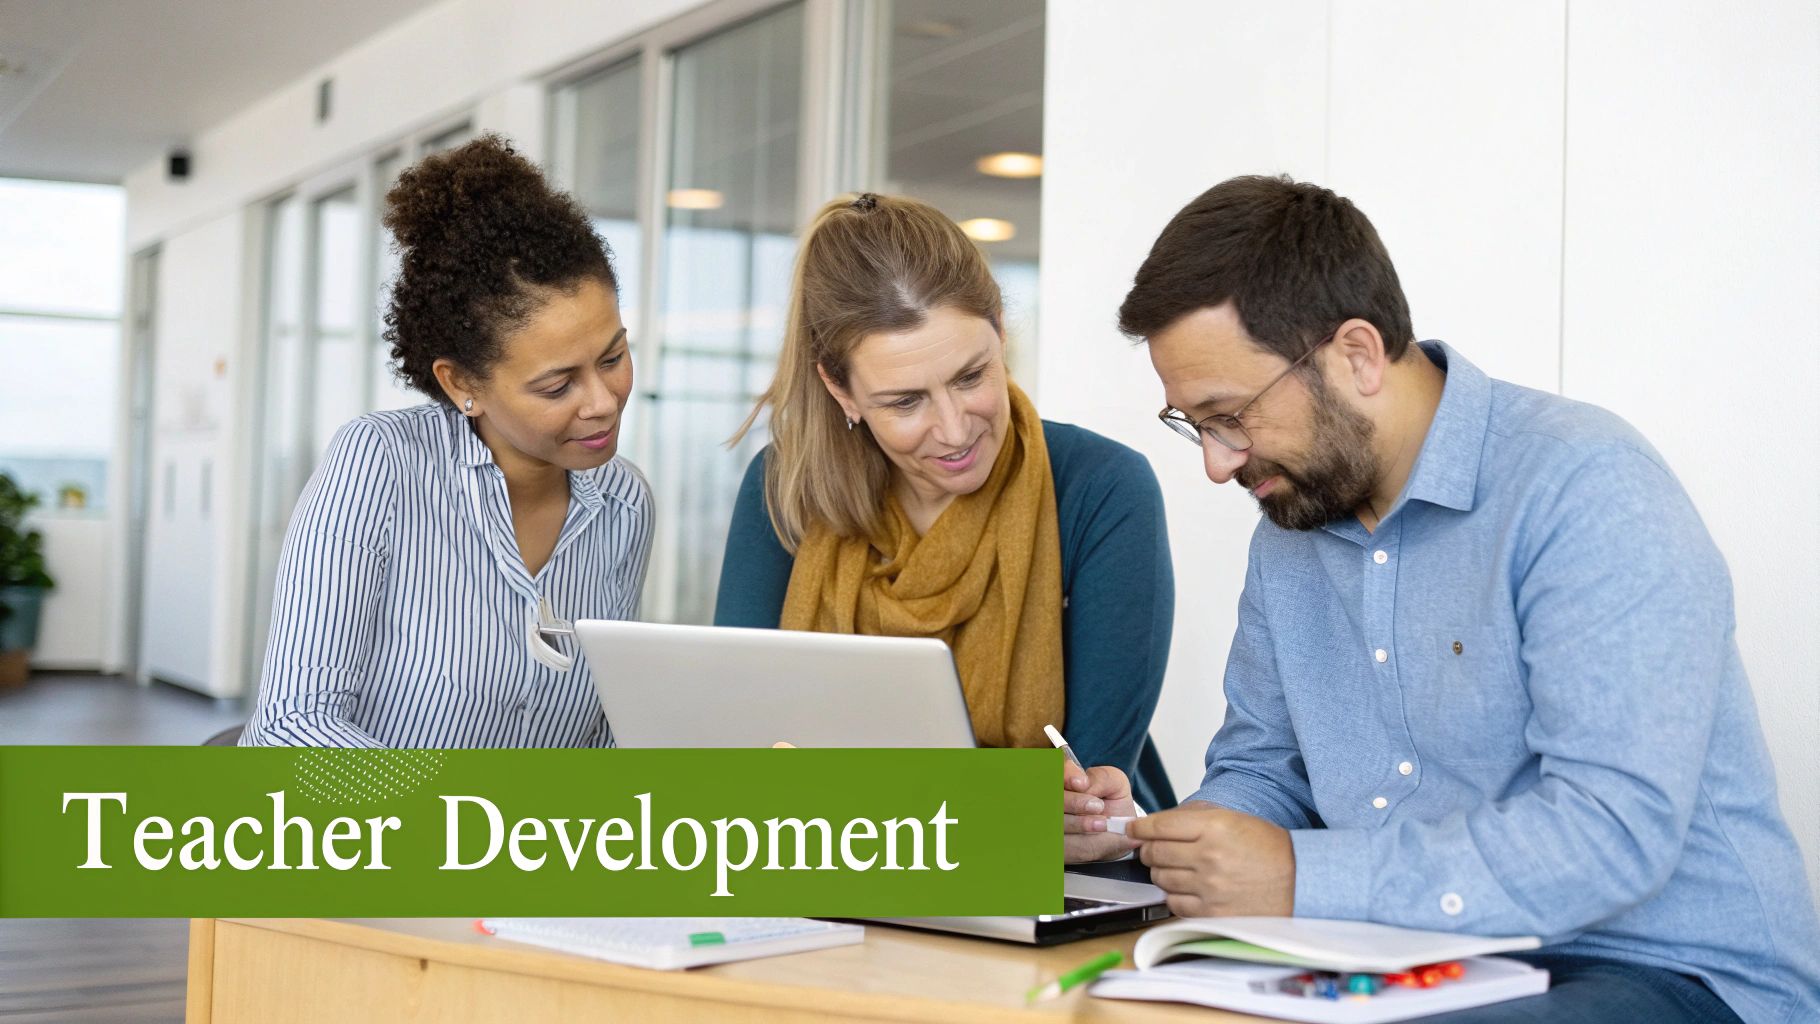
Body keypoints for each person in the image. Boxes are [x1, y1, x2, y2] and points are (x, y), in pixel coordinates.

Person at [1063, 175, 1820, 1023]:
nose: (1216, 462)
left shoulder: (1585, 486)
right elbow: (1263, 771)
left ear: (1355, 354)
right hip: (1395, 957)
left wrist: (1297, 876)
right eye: (1194, 426)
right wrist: (1162, 842)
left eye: (1230, 415)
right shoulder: (1291, 529)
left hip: (1659, 971)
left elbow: (1612, 833)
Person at [716, 193, 1176, 809]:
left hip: (1059, 880)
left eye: (971, 377)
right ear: (840, 389)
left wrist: (845, 799)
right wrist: (1001, 798)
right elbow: (735, 754)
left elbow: (1082, 790)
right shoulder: (786, 488)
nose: (956, 430)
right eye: (905, 403)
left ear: (1001, 334)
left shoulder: (1102, 489)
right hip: (824, 864)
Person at [243, 134, 652, 748]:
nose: (602, 402)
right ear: (462, 383)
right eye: (557, 385)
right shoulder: (383, 465)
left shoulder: (624, 505)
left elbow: (597, 735)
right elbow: (291, 726)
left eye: (613, 356)